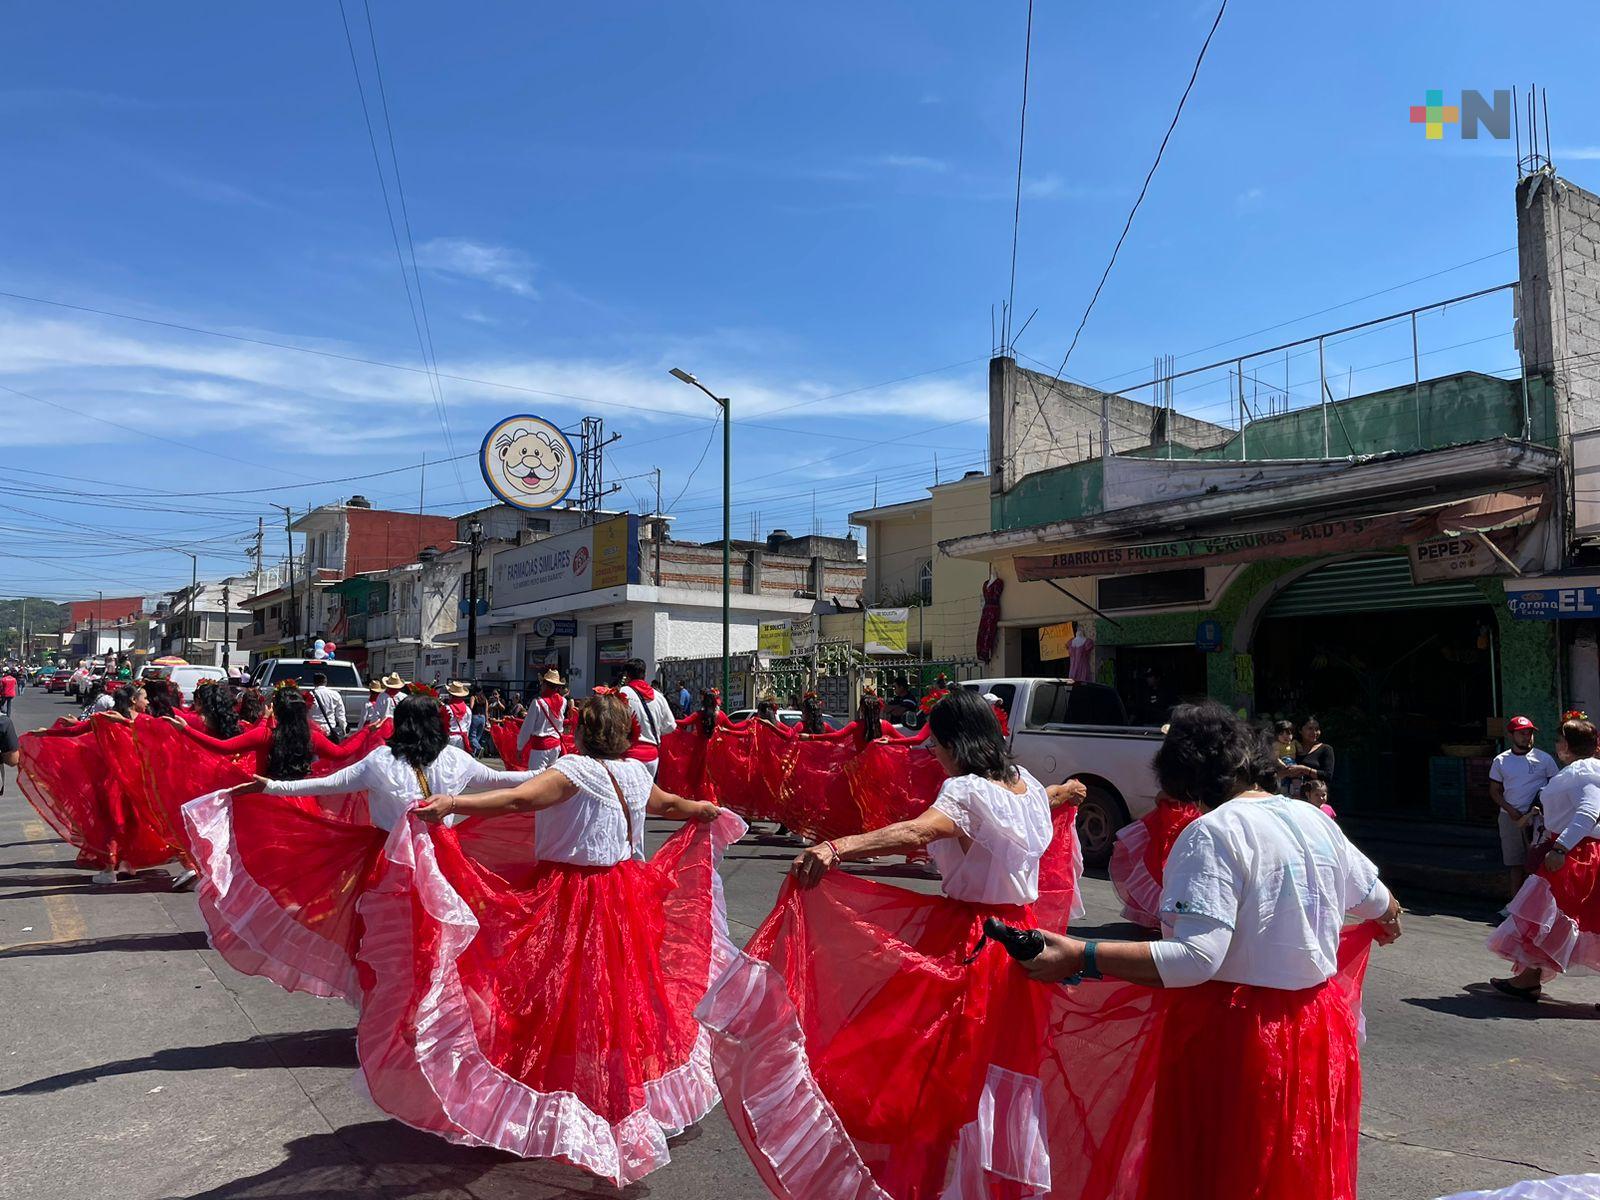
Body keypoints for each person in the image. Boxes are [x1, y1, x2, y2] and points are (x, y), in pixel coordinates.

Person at [201, 691, 741, 1185]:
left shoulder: (574, 770)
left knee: (547, 988)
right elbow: (667, 806)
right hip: (623, 892)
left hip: (573, 894)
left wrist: (454, 805)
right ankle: (607, 1088)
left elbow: (517, 800)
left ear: (582, 730)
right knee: (614, 992)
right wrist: (705, 811)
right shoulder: (634, 772)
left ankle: (568, 1090)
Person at [1017, 702, 1402, 1200]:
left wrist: (1080, 954)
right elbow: (1377, 899)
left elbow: (1197, 958)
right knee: (1294, 1174)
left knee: (1227, 1174)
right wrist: (1392, 916)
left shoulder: (1212, 833)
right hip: (1317, 1030)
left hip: (1241, 1036)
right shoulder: (1313, 819)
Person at [700, 688, 1072, 1198]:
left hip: (974, 940)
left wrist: (839, 845)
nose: (932, 754)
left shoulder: (965, 791)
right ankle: (981, 1180)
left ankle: (943, 1181)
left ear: (956, 743)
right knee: (995, 1067)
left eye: (935, 744)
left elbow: (919, 831)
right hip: (1021, 938)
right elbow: (1030, 809)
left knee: (927, 1067)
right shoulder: (1024, 784)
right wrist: (1066, 793)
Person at [1485, 713, 1600, 1000]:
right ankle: (1528, 977)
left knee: (1547, 915)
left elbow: (1588, 813)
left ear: (1568, 745)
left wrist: (1561, 848)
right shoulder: (1581, 770)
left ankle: (1529, 978)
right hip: (1569, 849)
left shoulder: (1585, 772)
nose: (1557, 744)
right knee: (1546, 917)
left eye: (1560, 739)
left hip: (1576, 854)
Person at [167, 683, 365, 779]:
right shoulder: (310, 738)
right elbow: (342, 753)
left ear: (276, 710)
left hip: (264, 798)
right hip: (300, 800)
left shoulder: (266, 735)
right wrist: (366, 732)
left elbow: (222, 747)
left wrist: (185, 730)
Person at [1489, 715, 1557, 884]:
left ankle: (1533, 906)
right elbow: (1495, 791)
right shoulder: (1500, 761)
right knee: (1515, 864)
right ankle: (1514, 905)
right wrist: (1511, 811)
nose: (1527, 737)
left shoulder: (1544, 759)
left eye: (1529, 733)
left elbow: (1556, 786)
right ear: (1511, 735)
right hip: (1510, 816)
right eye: (1522, 733)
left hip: (1538, 819)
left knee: (1536, 862)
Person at [619, 657, 677, 775]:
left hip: (629, 754)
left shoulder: (622, 692)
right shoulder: (658, 696)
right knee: (648, 792)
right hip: (652, 756)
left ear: (627, 675)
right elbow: (671, 726)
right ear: (644, 675)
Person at [516, 667, 570, 771]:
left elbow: (527, 727)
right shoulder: (563, 701)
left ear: (545, 684)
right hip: (556, 746)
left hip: (541, 747)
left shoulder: (537, 703)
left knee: (535, 780)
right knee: (548, 780)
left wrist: (519, 747)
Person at [1282, 715, 1335, 798]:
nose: (1314, 732)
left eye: (1317, 729)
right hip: (1289, 797)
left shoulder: (1326, 749)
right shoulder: (1291, 748)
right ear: (1300, 730)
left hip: (1315, 799)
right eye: (1310, 728)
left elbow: (1327, 776)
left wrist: (1303, 769)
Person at [307, 671, 347, 742]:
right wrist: (343, 729)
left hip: (313, 731)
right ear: (325, 682)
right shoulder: (335, 694)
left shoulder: (308, 695)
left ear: (314, 682)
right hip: (330, 730)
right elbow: (341, 715)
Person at [442, 681, 473, 750]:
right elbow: (468, 726)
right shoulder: (467, 709)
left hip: (450, 738)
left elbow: (443, 724)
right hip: (462, 738)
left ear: (450, 695)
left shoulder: (447, 708)